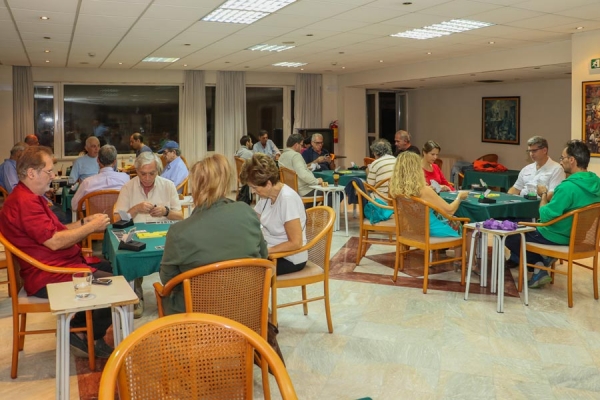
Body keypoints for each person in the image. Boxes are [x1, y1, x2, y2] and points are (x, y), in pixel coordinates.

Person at [0, 145, 113, 358]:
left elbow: (55, 231)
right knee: (112, 285)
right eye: (49, 171)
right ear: (31, 173)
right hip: (47, 274)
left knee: (111, 266)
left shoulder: (28, 196)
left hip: (52, 265)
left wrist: (84, 222)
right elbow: (54, 242)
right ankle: (79, 332)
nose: (53, 176)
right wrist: (91, 227)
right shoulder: (25, 203)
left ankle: (81, 329)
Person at [159, 154, 268, 315]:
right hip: (246, 312)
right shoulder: (247, 213)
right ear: (225, 185)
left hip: (199, 318)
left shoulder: (179, 232)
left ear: (195, 187)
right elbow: (263, 257)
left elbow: (168, 280)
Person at [505, 140, 600, 288]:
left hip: (556, 235)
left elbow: (545, 216)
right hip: (580, 237)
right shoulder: (596, 183)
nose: (561, 162)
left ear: (572, 160)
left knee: (508, 233)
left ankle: (539, 265)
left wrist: (543, 194)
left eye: (562, 158)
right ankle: (542, 261)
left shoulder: (568, 187)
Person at [389, 152, 468, 266]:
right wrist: (459, 197)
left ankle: (457, 260)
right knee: (463, 225)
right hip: (430, 230)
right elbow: (450, 210)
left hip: (412, 228)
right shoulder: (424, 190)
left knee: (451, 220)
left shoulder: (396, 190)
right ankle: (461, 262)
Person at [241, 153, 307, 275]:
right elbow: (251, 219)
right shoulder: (267, 196)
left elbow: (296, 243)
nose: (253, 191)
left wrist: (266, 251)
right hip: (272, 250)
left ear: (268, 184)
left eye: (254, 187)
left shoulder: (287, 199)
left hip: (289, 258)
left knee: (243, 273)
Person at [114, 152, 183, 224]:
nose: (147, 178)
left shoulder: (168, 186)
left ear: (157, 171)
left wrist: (166, 212)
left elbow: (180, 217)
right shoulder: (127, 188)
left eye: (152, 173)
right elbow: (117, 219)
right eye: (143, 174)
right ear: (137, 171)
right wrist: (135, 209)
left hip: (162, 230)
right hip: (136, 230)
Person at [71, 145, 129, 210]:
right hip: (119, 216)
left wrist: (89, 205)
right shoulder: (126, 179)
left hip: (94, 216)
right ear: (114, 162)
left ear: (98, 160)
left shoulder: (87, 183)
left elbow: (74, 206)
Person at [508, 136, 565, 200]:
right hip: (522, 202)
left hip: (540, 203)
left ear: (544, 150)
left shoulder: (557, 169)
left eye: (534, 151)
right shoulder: (526, 169)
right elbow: (515, 189)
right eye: (529, 151)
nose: (531, 154)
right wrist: (508, 198)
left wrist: (542, 194)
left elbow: (553, 195)